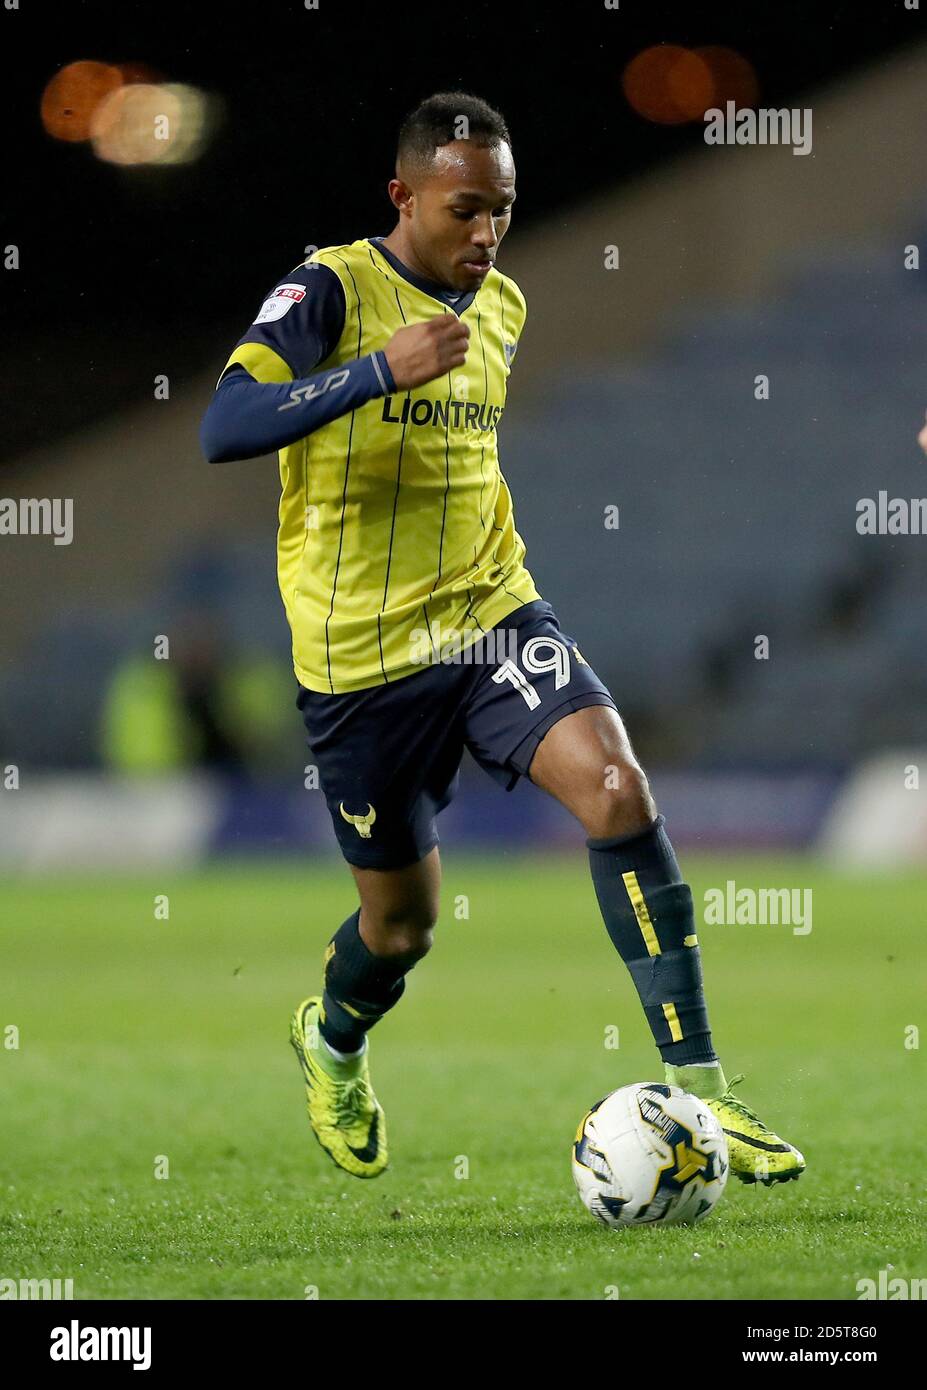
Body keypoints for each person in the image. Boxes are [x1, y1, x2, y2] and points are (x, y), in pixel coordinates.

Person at [200, 91, 805, 1186]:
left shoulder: (506, 307)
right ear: (405, 195)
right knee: (401, 931)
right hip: (357, 664)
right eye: (465, 209)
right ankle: (332, 1043)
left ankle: (710, 1090)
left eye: (505, 212)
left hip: (488, 615)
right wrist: (379, 371)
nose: (486, 236)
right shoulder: (332, 287)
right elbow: (223, 426)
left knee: (618, 790)